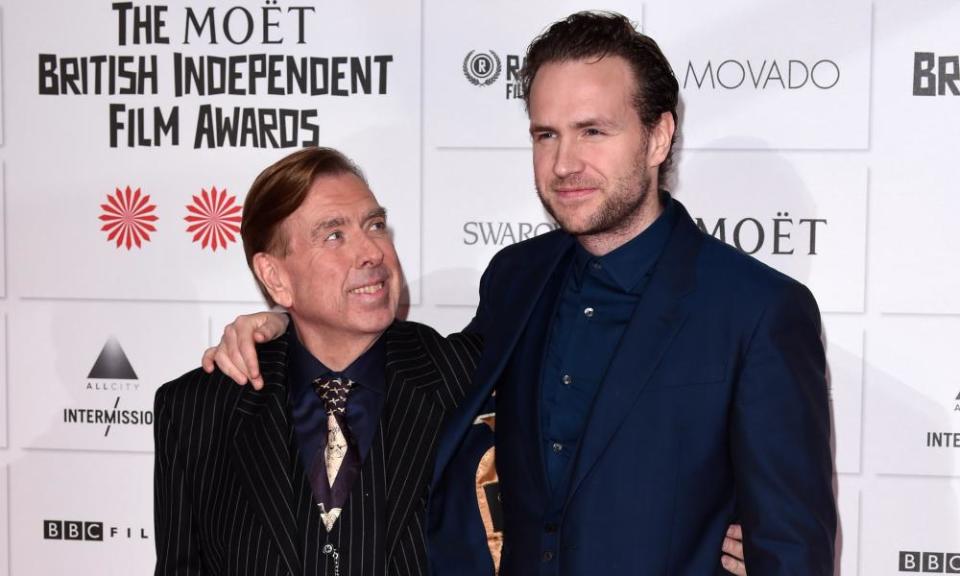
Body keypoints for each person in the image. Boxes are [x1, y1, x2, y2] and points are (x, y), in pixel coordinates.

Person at [205, 11, 834, 574]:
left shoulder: (758, 311)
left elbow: (791, 546)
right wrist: (286, 326)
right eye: (546, 135)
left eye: (593, 132)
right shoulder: (517, 277)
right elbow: (413, 377)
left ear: (659, 137)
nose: (564, 163)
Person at [154, 147, 482, 576]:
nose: (372, 252)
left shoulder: (469, 379)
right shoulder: (197, 410)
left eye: (376, 225)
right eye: (334, 235)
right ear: (275, 277)